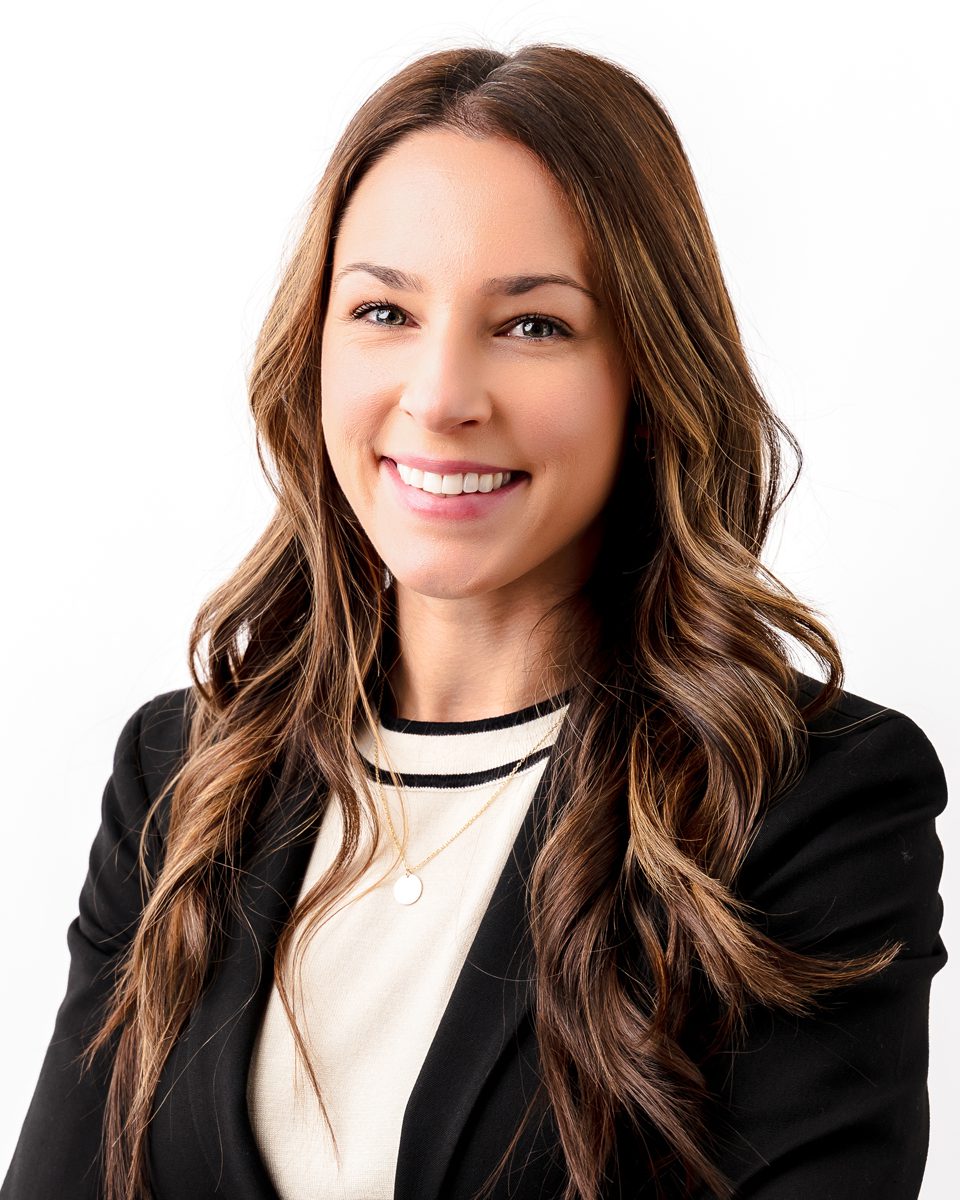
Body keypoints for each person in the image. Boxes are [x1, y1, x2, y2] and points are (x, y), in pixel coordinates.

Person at [2, 42, 947, 1200]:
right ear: (315, 354)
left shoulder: (802, 803)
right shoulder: (180, 777)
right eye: (384, 309)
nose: (442, 394)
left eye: (533, 325)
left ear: (646, 377)